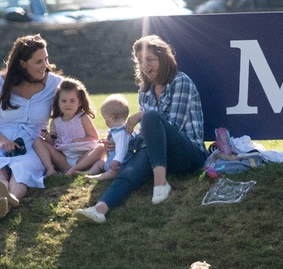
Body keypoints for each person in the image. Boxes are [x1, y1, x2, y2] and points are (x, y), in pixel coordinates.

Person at [74, 35, 207, 224]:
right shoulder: (145, 91)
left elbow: (173, 126)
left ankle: (160, 184)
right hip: (160, 156)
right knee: (130, 169)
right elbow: (147, 137)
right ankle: (100, 209)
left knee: (150, 116)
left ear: (164, 59)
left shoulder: (181, 82)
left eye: (150, 59)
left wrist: (143, 115)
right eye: (140, 61)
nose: (145, 66)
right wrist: (122, 142)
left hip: (189, 155)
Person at [0, 34, 63, 224]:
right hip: (2, 141)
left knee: (23, 170)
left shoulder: (55, 84)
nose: (45, 65)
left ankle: (8, 200)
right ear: (23, 63)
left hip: (34, 144)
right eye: (38, 61)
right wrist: (2, 141)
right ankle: (3, 196)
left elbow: (66, 115)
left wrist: (53, 137)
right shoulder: (0, 82)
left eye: (46, 59)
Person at [33, 77, 104, 178]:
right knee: (37, 141)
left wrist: (79, 140)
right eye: (63, 101)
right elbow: (53, 142)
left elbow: (94, 138)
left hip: (82, 157)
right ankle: (50, 169)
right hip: (64, 159)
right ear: (58, 102)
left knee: (101, 148)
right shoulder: (55, 122)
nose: (68, 104)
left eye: (72, 101)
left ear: (79, 102)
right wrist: (48, 138)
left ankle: (74, 169)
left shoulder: (82, 117)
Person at [89, 94, 131, 181]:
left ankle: (99, 177)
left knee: (114, 172)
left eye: (105, 118)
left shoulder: (121, 133)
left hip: (119, 165)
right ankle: (89, 172)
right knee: (100, 162)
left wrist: (117, 160)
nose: (105, 121)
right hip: (110, 161)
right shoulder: (115, 131)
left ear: (112, 118)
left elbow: (122, 148)